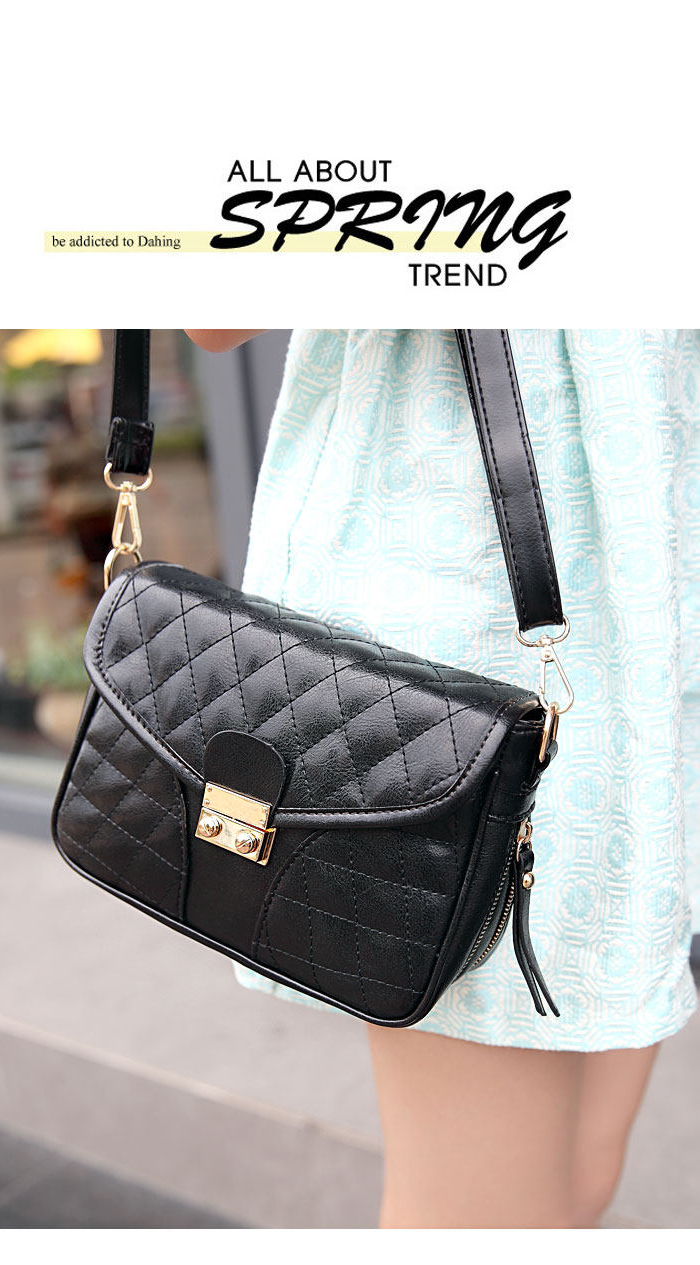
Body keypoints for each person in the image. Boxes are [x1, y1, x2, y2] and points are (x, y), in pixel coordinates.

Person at [185, 328, 699, 1229]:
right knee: (482, 1217)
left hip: (660, 563)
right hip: (478, 593)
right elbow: (213, 313)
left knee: (581, 1178)